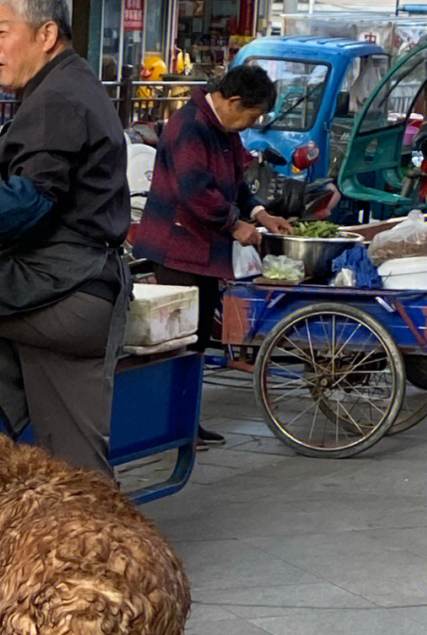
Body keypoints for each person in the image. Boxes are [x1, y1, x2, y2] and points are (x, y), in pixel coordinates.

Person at [0, 0, 131, 477]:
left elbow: (29, 201)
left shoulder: (59, 96)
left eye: (1, 32)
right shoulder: (67, 83)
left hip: (64, 287)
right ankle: (101, 547)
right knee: (75, 466)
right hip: (84, 288)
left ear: (46, 36)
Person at [132, 63, 293, 447]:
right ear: (233, 100)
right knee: (178, 341)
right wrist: (234, 225)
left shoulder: (223, 131)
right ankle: (166, 424)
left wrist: (259, 214)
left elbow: (236, 184)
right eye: (251, 115)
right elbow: (195, 191)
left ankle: (185, 422)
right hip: (176, 249)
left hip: (204, 250)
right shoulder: (190, 125)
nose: (250, 124)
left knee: (199, 339)